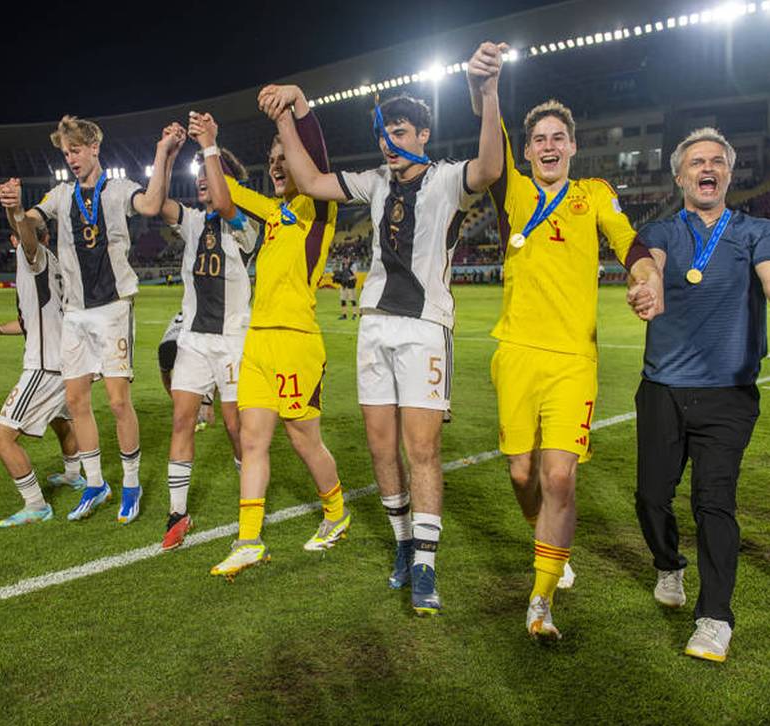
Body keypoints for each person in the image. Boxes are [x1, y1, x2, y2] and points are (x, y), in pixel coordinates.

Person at [267, 43, 507, 615]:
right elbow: (309, 179)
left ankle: (426, 562)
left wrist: (490, 91)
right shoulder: (375, 181)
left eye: (399, 133)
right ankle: (403, 543)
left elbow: (491, 168)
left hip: (425, 327)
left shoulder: (448, 180)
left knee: (420, 448)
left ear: (423, 134)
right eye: (384, 135)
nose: (389, 144)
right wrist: (288, 114)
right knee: (380, 447)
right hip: (374, 326)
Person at [473, 92, 665, 638]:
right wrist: (487, 89)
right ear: (528, 150)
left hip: (574, 358)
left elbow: (627, 241)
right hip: (516, 353)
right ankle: (545, 536)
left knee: (559, 475)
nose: (549, 146)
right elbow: (491, 139)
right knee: (521, 473)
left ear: (573, 146)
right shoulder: (513, 190)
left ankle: (541, 599)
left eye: (558, 137)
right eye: (539, 139)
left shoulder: (594, 194)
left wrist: (647, 278)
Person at [635, 128, 770, 662]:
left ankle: (715, 618)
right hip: (662, 389)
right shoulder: (660, 230)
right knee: (651, 497)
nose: (708, 167)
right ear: (680, 177)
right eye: (697, 161)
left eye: (717, 161)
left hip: (728, 394)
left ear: (728, 174)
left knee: (714, 501)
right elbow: (651, 262)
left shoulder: (756, 230)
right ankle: (668, 564)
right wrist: (647, 283)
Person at [0, 116, 180, 525]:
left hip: (113, 307)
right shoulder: (60, 195)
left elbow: (151, 205)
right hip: (76, 312)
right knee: (77, 400)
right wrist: (14, 210)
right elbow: (28, 231)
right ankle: (96, 483)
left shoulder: (118, 189)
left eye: (76, 150)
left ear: (95, 147)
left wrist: (162, 153)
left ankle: (131, 484)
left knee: (117, 401)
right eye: (66, 153)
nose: (71, 158)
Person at [208, 84, 346, 579]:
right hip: (259, 342)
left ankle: (336, 513)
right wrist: (208, 144)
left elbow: (317, 155)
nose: (276, 165)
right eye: (271, 160)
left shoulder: (318, 208)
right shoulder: (271, 214)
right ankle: (248, 540)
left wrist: (298, 106)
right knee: (252, 442)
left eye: (284, 157)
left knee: (305, 441)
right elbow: (225, 193)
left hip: (296, 341)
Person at [155, 112, 256, 550]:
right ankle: (177, 513)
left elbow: (228, 206)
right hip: (194, 340)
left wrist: (210, 146)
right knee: (182, 419)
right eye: (199, 174)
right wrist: (166, 154)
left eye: (210, 173)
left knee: (235, 427)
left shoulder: (246, 227)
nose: (201, 180)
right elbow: (157, 203)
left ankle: (249, 501)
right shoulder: (193, 221)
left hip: (232, 340)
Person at [0, 224, 86, 528]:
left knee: (1, 439)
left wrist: (15, 210)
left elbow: (28, 243)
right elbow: (34, 321)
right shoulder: (57, 265)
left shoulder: (33, 258)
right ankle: (73, 475)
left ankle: (36, 505)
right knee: (61, 421)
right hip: (66, 362)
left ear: (16, 239)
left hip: (44, 367)